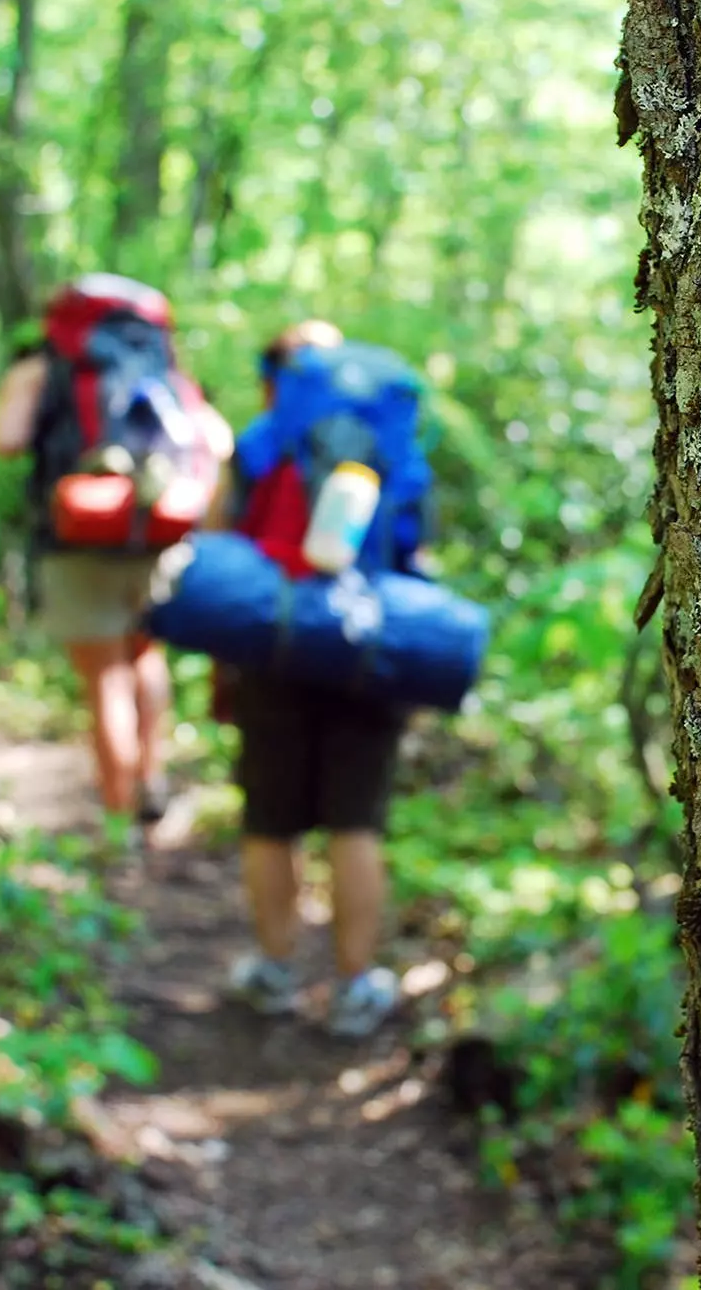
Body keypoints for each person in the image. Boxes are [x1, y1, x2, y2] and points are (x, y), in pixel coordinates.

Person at [217, 320, 430, 1038]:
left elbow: (222, 543)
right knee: (355, 820)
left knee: (271, 820)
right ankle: (352, 986)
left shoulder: (260, 440)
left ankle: (275, 971)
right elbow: (414, 550)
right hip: (366, 646)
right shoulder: (391, 442)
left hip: (273, 644)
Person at [0, 279, 232, 845]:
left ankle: (118, 817)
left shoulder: (43, 370)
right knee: (145, 657)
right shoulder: (167, 374)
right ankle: (152, 779)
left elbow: (3, 437)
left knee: (104, 680)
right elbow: (217, 445)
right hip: (159, 537)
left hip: (77, 538)